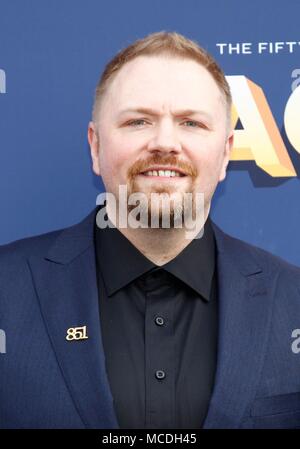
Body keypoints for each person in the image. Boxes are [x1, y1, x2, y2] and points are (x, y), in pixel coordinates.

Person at [1, 31, 300, 430]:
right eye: (138, 121)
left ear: (227, 152)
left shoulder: (293, 300)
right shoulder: (7, 289)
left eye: (190, 122)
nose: (164, 143)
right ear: (95, 147)